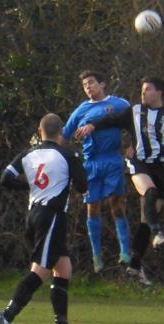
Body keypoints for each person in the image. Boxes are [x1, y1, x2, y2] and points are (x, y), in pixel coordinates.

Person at [75, 77, 164, 285]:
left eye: (147, 90)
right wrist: (92, 125)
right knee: (150, 192)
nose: (143, 93)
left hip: (159, 170)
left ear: (159, 93)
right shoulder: (134, 111)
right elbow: (110, 121)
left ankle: (134, 266)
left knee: (147, 219)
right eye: (142, 89)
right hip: (138, 165)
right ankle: (159, 234)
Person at [0, 113, 89, 324]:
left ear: (39, 129)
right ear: (62, 131)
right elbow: (83, 186)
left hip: (35, 214)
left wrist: (28, 184)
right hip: (52, 216)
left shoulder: (28, 154)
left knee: (63, 268)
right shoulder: (68, 155)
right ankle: (7, 315)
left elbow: (6, 178)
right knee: (41, 271)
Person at [62, 70, 132, 273]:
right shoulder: (81, 110)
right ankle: (97, 256)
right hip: (91, 163)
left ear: (102, 84)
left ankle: (125, 252)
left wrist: (131, 145)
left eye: (91, 83)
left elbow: (133, 124)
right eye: (85, 85)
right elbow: (64, 135)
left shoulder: (119, 104)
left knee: (117, 206)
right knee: (92, 207)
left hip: (112, 160)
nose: (88, 88)